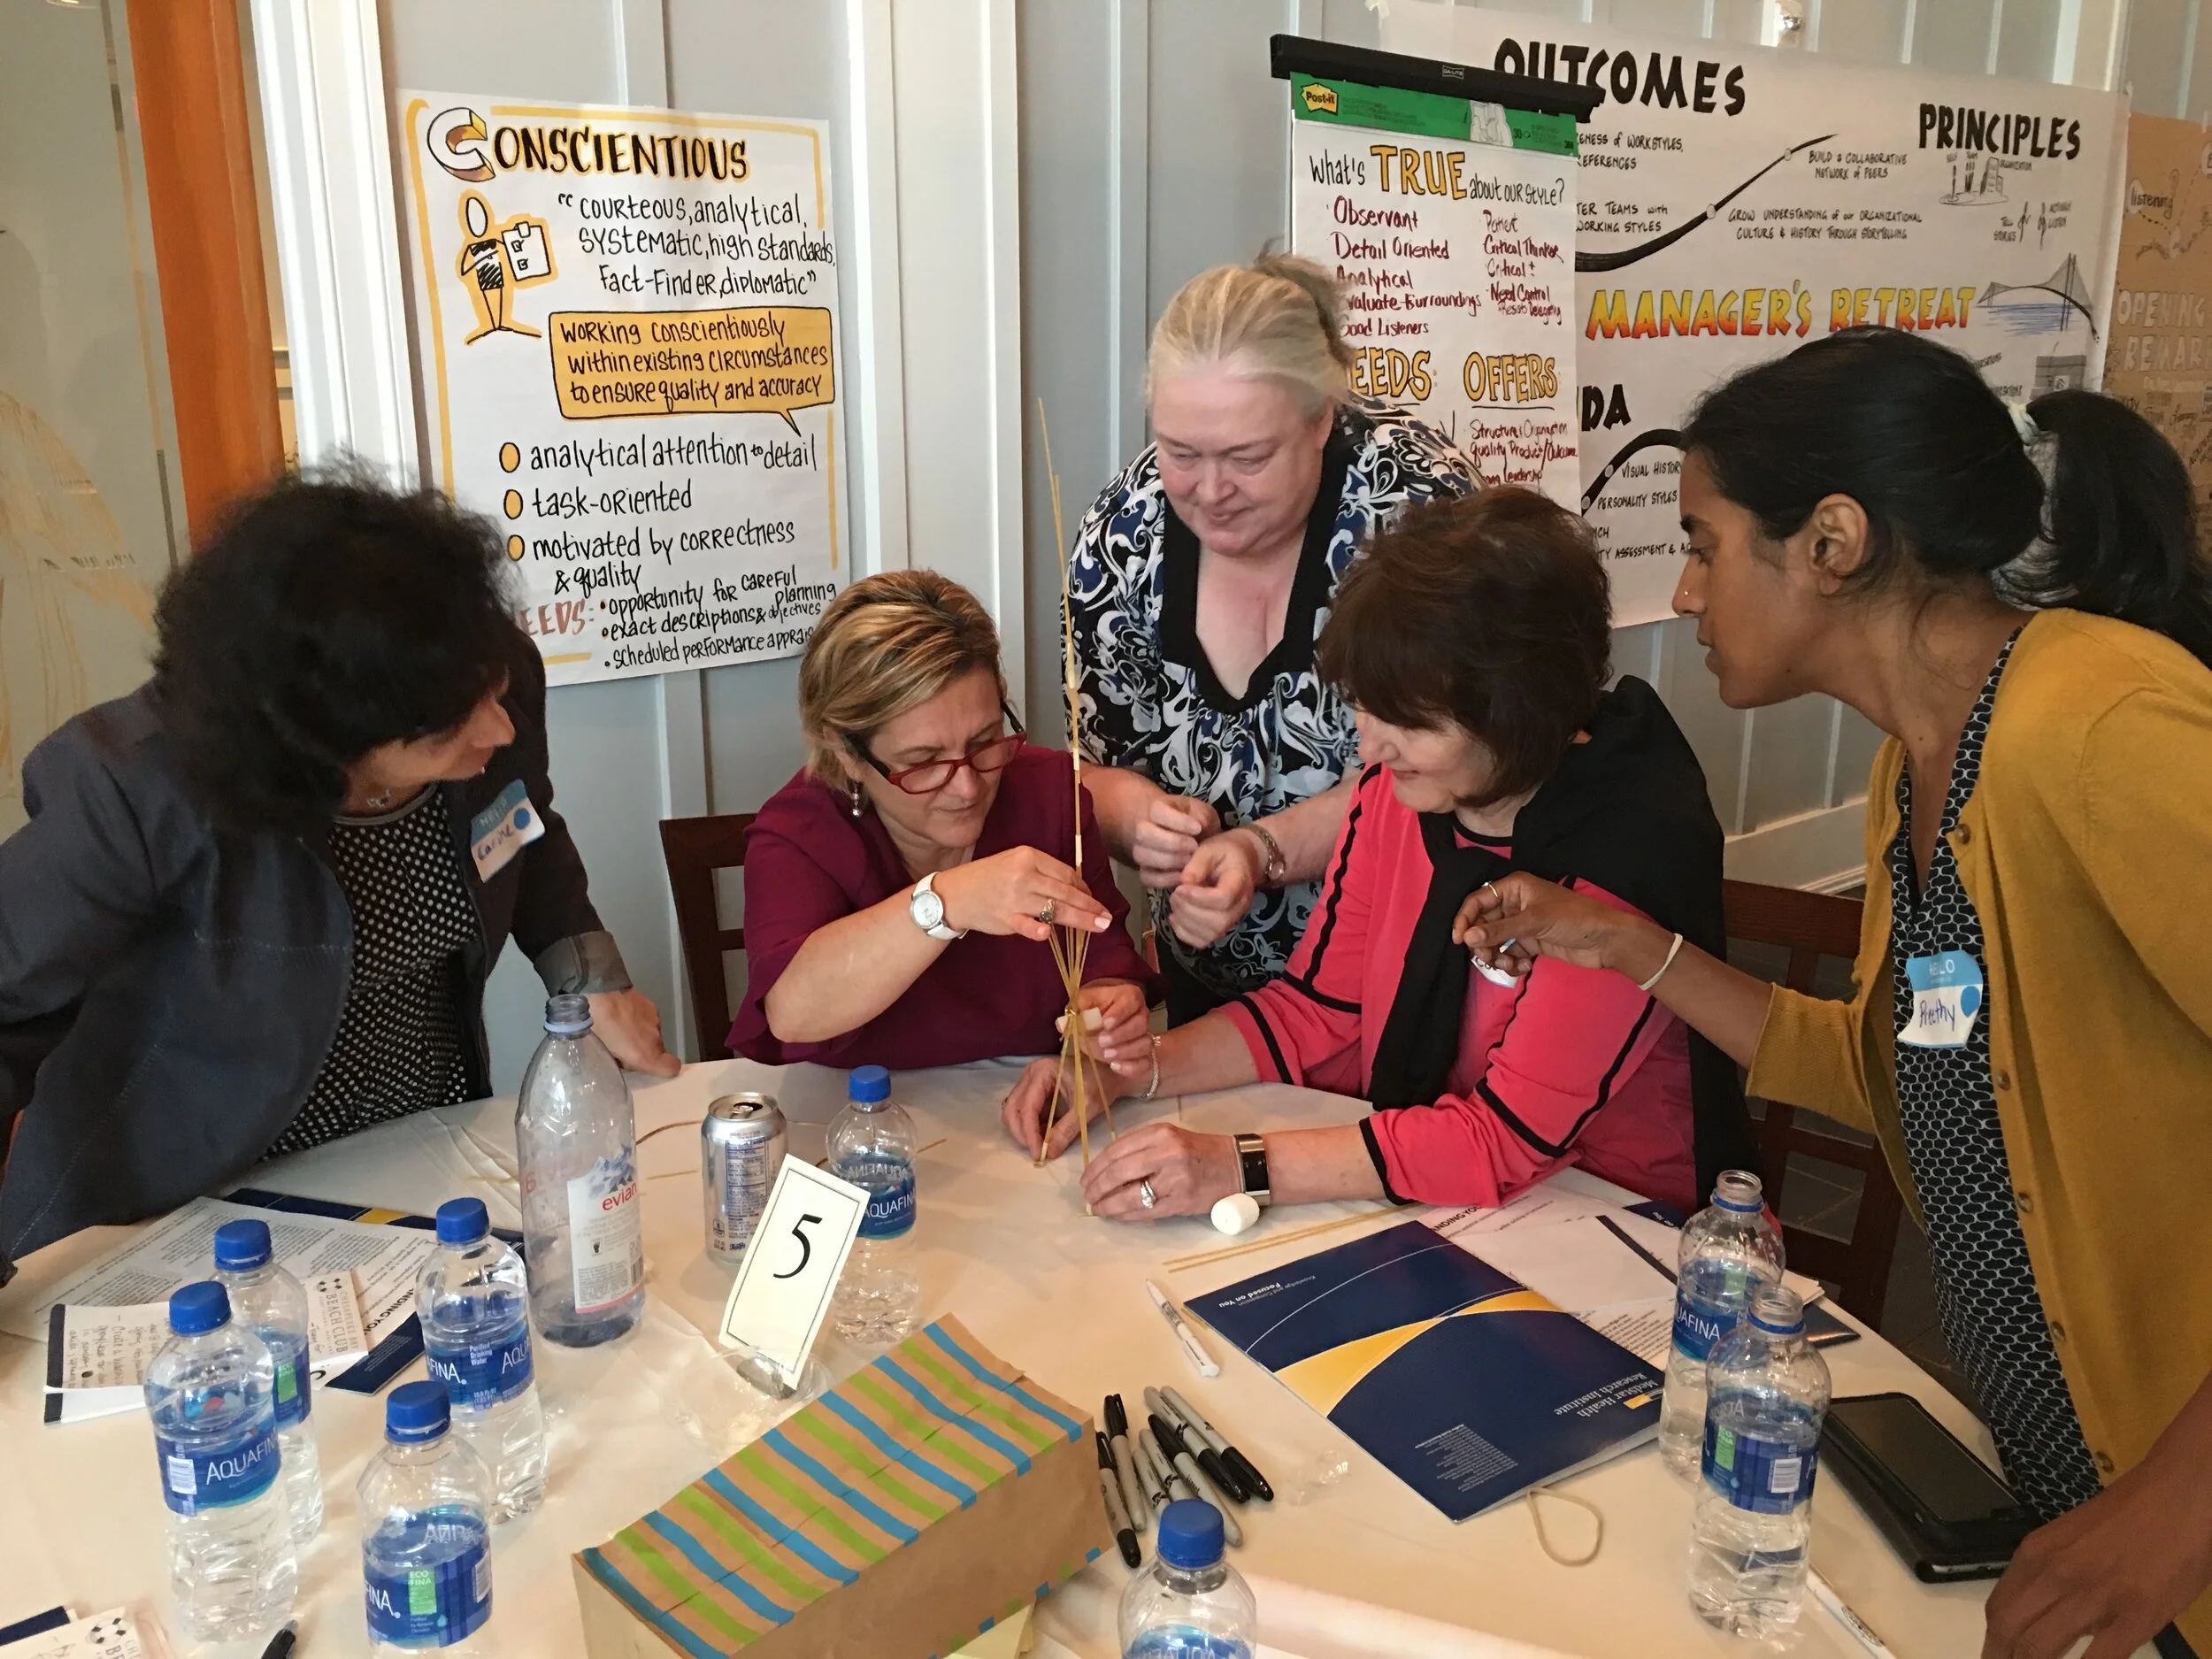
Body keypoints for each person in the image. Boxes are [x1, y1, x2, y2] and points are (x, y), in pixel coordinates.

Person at [1455, 329, 2212, 1659]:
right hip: (2062, 1456)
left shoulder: (2095, 723)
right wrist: (1623, 943)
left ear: (1832, 540)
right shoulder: (1917, 767)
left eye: (1702, 540)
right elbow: (1888, 1067)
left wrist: (2177, 1503)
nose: (1686, 594)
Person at [1004, 489, 1757, 1220]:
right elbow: (1317, 1015)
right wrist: (1129, 1070)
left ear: (1520, 710)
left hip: (1619, 1224)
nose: (1369, 746)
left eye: (1409, 723)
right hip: (1452, 1195)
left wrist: (1237, 1163)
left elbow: (1498, 1142)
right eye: (1365, 706)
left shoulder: (1619, 859)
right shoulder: (1401, 797)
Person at [0, 473, 676, 1284]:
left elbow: (523, 824)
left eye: (495, 692)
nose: (499, 726)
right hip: (173, 1208)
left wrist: (587, 974)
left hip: (412, 1167)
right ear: (331, 733)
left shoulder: (483, 680)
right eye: (452, 725)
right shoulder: (139, 791)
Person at [1069, 253, 1476, 1025]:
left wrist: (1262, 850)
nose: (1210, 491)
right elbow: (1093, 766)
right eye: (1180, 452)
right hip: (1211, 981)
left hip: (1400, 974)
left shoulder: (1415, 512)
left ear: (1322, 417)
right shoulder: (1124, 534)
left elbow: (1452, 764)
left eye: (1248, 458)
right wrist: (1138, 823)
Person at [730, 570, 1153, 1070]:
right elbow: (792, 1011)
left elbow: (1103, 964)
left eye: (983, 742)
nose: (968, 786)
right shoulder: (798, 834)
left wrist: (1109, 1011)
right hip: (860, 1128)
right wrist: (948, 901)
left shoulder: (1050, 793)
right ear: (846, 753)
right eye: (925, 761)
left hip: (1023, 1115)